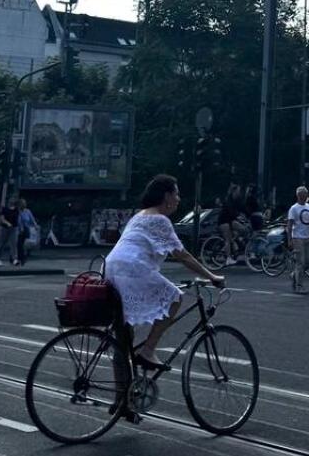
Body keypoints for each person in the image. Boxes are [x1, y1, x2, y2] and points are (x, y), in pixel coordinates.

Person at [104, 174, 223, 415]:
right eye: (176, 194)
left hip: (110, 268)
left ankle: (121, 401)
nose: (178, 199)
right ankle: (148, 349)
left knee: (122, 338)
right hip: (131, 269)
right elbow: (183, 255)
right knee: (175, 297)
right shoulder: (159, 219)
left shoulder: (139, 216)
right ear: (167, 196)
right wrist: (212, 276)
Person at [286, 185, 309, 293]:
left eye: (306, 194)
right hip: (297, 238)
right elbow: (289, 225)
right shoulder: (293, 208)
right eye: (303, 194)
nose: (305, 196)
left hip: (308, 237)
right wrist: (289, 240)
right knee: (300, 262)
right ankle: (299, 286)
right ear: (298, 195)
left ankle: (294, 274)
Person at [219, 183, 246, 264]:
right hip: (224, 221)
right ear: (234, 191)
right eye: (238, 191)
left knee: (242, 229)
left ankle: (232, 244)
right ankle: (228, 258)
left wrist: (243, 215)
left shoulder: (235, 200)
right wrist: (238, 216)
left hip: (229, 221)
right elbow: (230, 211)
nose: (239, 192)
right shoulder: (228, 200)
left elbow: (241, 208)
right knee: (227, 239)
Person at [0, 197, 19, 265]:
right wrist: (7, 223)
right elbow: (2, 219)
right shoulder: (4, 209)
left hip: (14, 228)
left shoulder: (16, 210)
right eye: (11, 201)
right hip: (5, 228)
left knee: (13, 243)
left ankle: (14, 259)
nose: (12, 202)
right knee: (2, 243)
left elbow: (17, 218)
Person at [15, 202, 37, 267]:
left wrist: (35, 225)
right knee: (19, 244)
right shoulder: (17, 212)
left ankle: (23, 258)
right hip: (18, 230)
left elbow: (32, 219)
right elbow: (17, 220)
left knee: (23, 244)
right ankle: (20, 258)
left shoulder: (27, 211)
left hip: (26, 229)